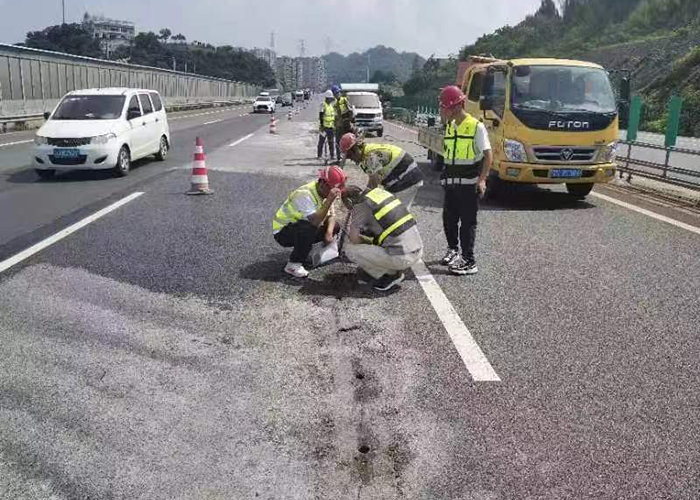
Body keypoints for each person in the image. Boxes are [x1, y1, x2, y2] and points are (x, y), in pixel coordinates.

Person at [438, 85, 493, 276]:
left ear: (455, 106)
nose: (442, 111)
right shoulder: (451, 127)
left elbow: (488, 156)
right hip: (451, 183)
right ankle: (453, 250)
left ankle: (469, 260)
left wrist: (482, 180)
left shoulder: (476, 127)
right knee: (449, 219)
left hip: (469, 184)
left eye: (444, 107)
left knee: (467, 223)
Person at [341, 185, 423, 292]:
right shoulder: (379, 193)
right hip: (417, 249)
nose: (349, 209)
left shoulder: (360, 206)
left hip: (403, 258)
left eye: (347, 205)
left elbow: (354, 239)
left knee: (350, 249)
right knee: (376, 243)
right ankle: (392, 268)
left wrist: (367, 242)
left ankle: (390, 275)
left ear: (349, 200)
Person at [273, 165, 347, 278]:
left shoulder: (324, 192)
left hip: (300, 228)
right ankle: (293, 265)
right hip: (283, 231)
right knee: (309, 228)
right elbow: (315, 222)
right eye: (333, 190)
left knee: (334, 227)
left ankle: (308, 252)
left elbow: (331, 217)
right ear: (323, 184)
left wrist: (328, 233)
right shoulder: (304, 194)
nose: (335, 194)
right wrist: (329, 200)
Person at [339, 132, 424, 210]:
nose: (351, 160)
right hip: (404, 177)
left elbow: (373, 184)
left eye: (350, 156)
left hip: (408, 179)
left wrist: (361, 200)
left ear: (356, 149)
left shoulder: (370, 157)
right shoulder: (367, 151)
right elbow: (378, 180)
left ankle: (407, 226)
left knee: (398, 212)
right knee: (391, 208)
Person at [332, 84, 354, 155]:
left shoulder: (344, 100)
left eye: (338, 93)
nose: (337, 95)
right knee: (338, 142)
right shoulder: (334, 103)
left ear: (340, 93)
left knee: (349, 141)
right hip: (338, 125)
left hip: (346, 125)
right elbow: (334, 115)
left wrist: (349, 120)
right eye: (335, 93)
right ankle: (339, 157)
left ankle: (350, 155)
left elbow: (351, 111)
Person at [317, 90, 339, 161]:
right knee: (321, 142)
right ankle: (319, 155)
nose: (331, 100)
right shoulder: (323, 104)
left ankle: (332, 155)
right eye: (330, 98)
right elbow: (321, 115)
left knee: (331, 142)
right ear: (327, 98)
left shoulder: (331, 106)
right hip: (324, 127)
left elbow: (333, 116)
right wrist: (322, 125)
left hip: (331, 127)